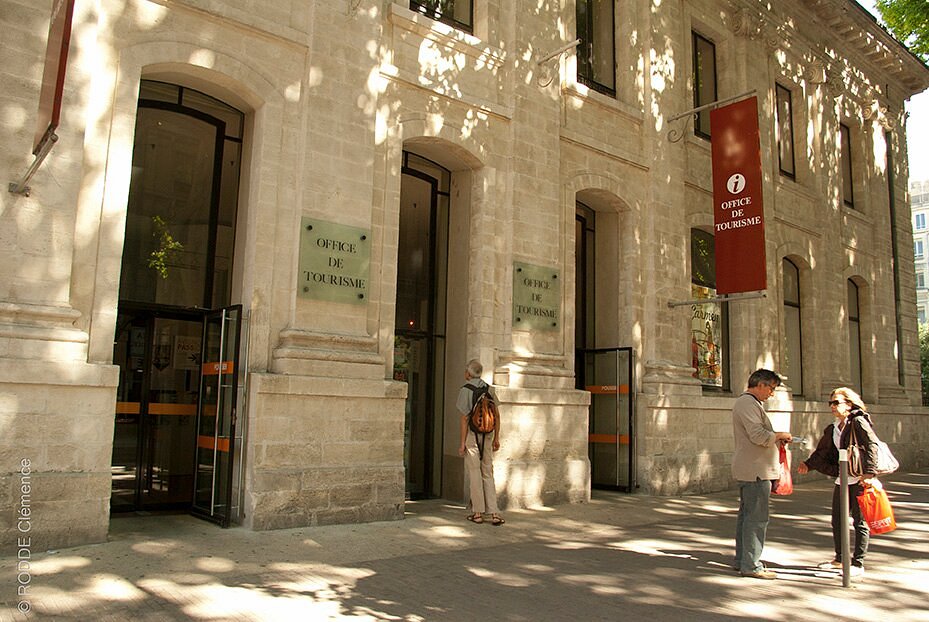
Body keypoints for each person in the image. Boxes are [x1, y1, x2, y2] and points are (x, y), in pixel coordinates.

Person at [797, 387, 878, 578]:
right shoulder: (833, 427)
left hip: (859, 478)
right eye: (831, 403)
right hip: (843, 478)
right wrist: (808, 465)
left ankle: (858, 562)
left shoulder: (858, 421)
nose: (832, 406)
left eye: (836, 403)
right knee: (838, 519)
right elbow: (823, 450)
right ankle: (840, 559)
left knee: (859, 521)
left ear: (849, 404)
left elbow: (871, 444)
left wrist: (870, 473)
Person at [732, 369, 793, 579]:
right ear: (761, 385)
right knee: (756, 518)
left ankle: (743, 560)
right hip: (755, 469)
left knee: (748, 516)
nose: (772, 394)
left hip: (754, 468)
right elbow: (757, 435)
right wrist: (779, 435)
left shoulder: (750, 403)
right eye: (771, 388)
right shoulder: (747, 403)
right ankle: (750, 564)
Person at [457, 359, 504, 526]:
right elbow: (497, 415)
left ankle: (477, 513)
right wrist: (497, 437)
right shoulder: (489, 389)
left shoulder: (466, 390)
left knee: (475, 472)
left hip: (472, 435)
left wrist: (462, 443)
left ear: (469, 374)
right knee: (488, 472)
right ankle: (494, 513)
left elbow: (464, 419)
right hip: (488, 434)